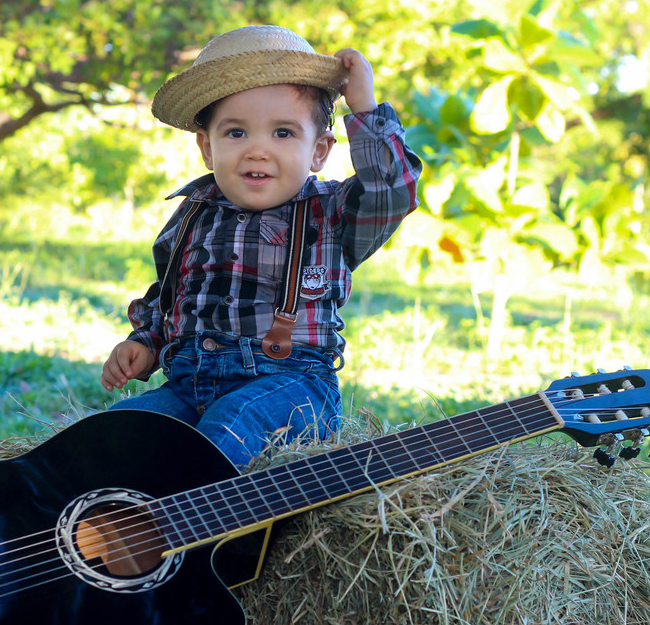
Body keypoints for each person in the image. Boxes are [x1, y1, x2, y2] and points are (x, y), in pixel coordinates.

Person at [101, 24, 423, 470]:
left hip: (293, 387)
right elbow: (170, 297)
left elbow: (393, 192)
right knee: (115, 433)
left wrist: (365, 109)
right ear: (207, 148)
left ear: (319, 151)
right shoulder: (192, 215)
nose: (257, 150)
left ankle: (192, 536)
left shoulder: (331, 213)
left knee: (229, 425)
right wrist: (147, 342)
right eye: (236, 133)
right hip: (188, 385)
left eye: (283, 133)